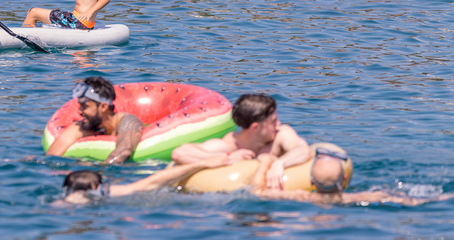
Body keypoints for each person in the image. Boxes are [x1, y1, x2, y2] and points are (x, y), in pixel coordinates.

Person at [171, 94, 310, 190]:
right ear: (256, 127)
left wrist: (280, 163)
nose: (278, 124)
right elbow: (179, 153)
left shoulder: (280, 134)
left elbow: (302, 149)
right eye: (273, 121)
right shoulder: (229, 145)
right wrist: (228, 158)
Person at [253, 147, 454, 205]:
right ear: (344, 180)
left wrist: (264, 161)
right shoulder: (358, 198)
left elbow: (259, 191)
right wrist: (443, 198)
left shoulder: (299, 196)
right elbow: (409, 201)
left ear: (310, 181)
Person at [60, 155, 231, 205]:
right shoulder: (108, 193)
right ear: (94, 186)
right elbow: (153, 182)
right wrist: (204, 162)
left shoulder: (61, 200)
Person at [45, 77, 143, 164]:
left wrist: (94, 168)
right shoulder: (82, 127)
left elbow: (124, 152)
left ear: (103, 106)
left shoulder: (128, 122)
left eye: (85, 106)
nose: (79, 111)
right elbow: (51, 158)